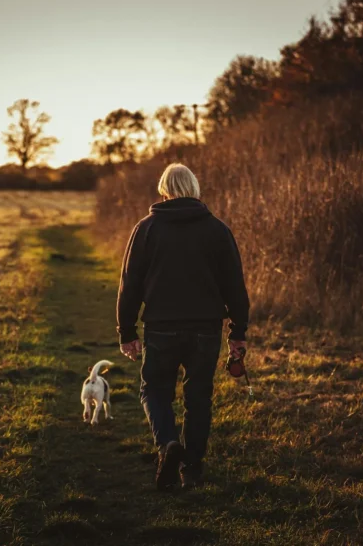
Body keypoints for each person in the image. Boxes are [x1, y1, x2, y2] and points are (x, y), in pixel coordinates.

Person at [117, 163, 250, 491]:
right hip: (205, 329)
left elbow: (130, 284)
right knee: (198, 397)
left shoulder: (146, 229)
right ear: (194, 188)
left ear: (163, 190)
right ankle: (192, 470)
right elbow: (235, 285)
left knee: (154, 390)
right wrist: (238, 332)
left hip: (161, 327)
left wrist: (127, 332)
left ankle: (167, 444)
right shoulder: (217, 230)